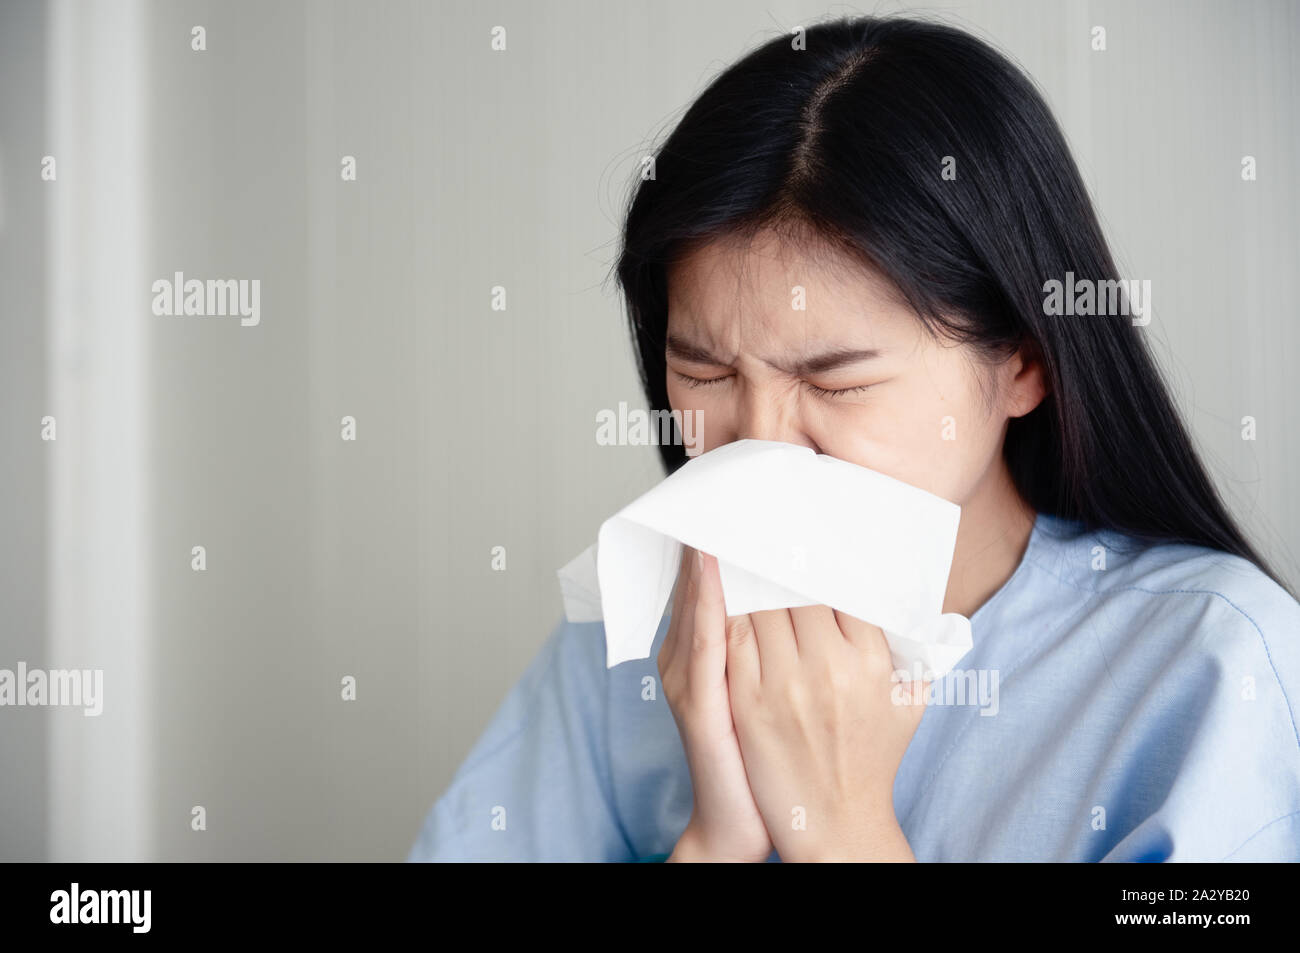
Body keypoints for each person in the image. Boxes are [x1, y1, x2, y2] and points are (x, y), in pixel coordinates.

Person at [408, 15, 1300, 862]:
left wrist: (840, 829)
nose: (759, 446)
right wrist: (717, 839)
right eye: (706, 374)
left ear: (1025, 362)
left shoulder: (1212, 666)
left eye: (836, 382)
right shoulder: (633, 636)